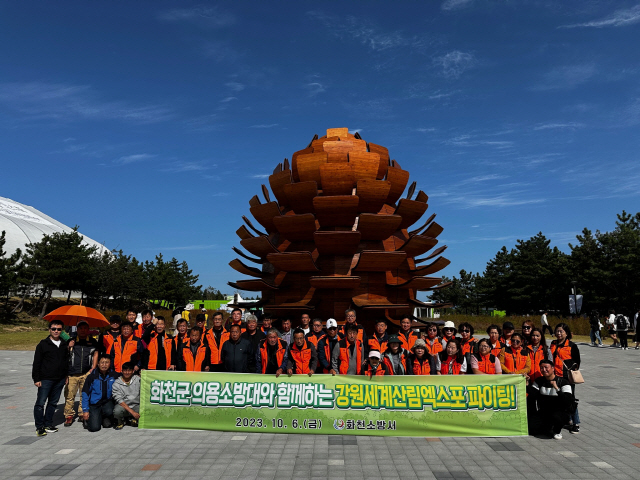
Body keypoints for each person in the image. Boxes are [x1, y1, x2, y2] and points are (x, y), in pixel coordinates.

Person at [32, 320, 69, 436]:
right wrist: (36, 379)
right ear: (49, 330)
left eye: (59, 329)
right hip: (46, 379)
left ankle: (48, 423)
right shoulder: (43, 344)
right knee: (40, 403)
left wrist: (66, 376)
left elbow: (66, 362)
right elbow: (37, 363)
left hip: (60, 379)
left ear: (62, 331)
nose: (56, 331)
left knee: (53, 403)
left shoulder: (64, 344)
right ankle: (39, 426)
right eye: (54, 329)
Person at [527, 359, 575, 440]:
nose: (544, 370)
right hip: (544, 411)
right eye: (541, 368)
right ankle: (548, 428)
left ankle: (557, 430)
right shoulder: (539, 381)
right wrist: (527, 384)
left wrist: (557, 388)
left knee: (557, 417)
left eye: (546, 367)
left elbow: (568, 400)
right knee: (532, 430)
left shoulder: (563, 382)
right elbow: (532, 395)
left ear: (553, 368)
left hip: (559, 412)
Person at [63, 321, 99, 427]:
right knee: (69, 395)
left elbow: (96, 353)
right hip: (72, 373)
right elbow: (64, 355)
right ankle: (68, 415)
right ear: (77, 329)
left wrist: (94, 367)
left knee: (84, 395)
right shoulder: (71, 341)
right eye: (80, 328)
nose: (83, 330)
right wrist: (69, 346)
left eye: (85, 328)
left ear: (88, 330)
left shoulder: (92, 341)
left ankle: (82, 413)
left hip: (86, 372)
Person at [550, 323, 581, 434]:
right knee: (558, 399)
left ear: (566, 333)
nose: (558, 333)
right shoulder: (553, 344)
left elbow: (577, 362)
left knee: (570, 399)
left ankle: (575, 422)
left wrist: (570, 369)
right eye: (557, 331)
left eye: (561, 331)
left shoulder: (572, 346)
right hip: (555, 376)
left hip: (566, 378)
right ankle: (565, 420)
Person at [81, 355, 117, 432]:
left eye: (107, 362)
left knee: (108, 421)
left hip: (107, 403)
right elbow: (85, 393)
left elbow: (126, 375)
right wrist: (85, 410)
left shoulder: (113, 375)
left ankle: (104, 417)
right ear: (98, 364)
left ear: (110, 363)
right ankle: (89, 419)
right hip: (95, 404)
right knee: (94, 428)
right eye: (102, 362)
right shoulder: (92, 377)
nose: (104, 365)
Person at [112, 362, 141, 429]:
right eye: (125, 370)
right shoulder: (116, 384)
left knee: (145, 410)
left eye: (129, 370)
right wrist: (132, 412)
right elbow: (120, 401)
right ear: (122, 371)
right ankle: (122, 421)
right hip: (124, 406)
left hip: (136, 405)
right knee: (117, 411)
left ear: (133, 371)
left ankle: (132, 420)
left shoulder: (138, 380)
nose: (127, 372)